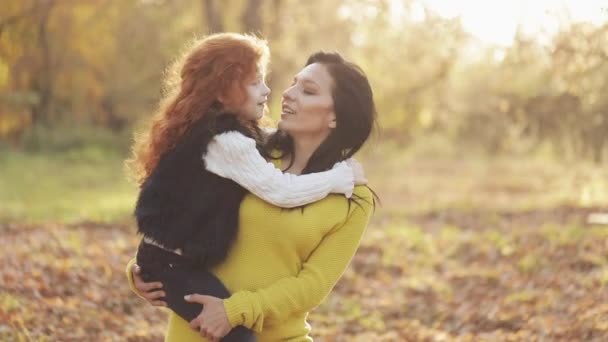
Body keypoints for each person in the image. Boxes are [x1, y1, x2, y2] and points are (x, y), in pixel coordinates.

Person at [126, 33, 365, 342]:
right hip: (194, 332)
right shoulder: (249, 155)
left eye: (307, 90)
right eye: (293, 83)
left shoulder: (352, 195)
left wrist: (235, 311)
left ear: (336, 116)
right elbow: (183, 211)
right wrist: (139, 272)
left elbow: (312, 286)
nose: (287, 94)